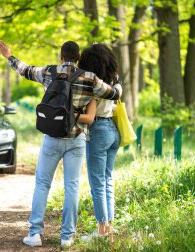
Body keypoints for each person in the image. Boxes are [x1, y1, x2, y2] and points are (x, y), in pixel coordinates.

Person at [0, 40, 122, 247]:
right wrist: (116, 79)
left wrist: (9, 56)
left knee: (42, 184)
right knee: (72, 186)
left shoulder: (49, 72)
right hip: (76, 139)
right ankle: (67, 237)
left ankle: (35, 234)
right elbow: (114, 93)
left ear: (61, 56)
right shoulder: (90, 78)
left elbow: (25, 70)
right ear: (78, 57)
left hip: (52, 138)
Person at [77, 43, 121, 238]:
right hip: (113, 130)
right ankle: (108, 227)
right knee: (108, 179)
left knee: (97, 183)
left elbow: (90, 116)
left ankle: (102, 231)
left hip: (99, 131)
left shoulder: (94, 87)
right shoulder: (114, 83)